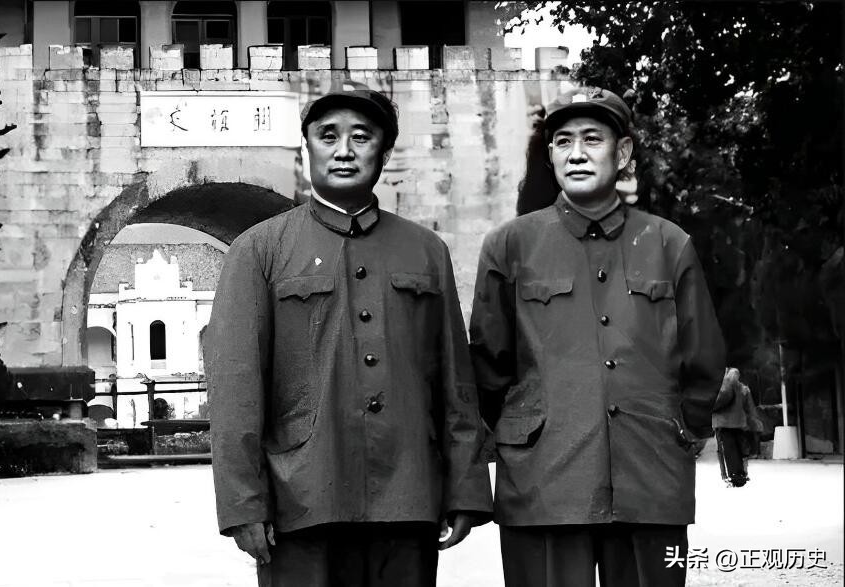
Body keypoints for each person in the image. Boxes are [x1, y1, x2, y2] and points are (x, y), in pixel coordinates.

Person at [206, 81, 493, 586]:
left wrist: (465, 487)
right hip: (301, 497)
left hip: (408, 493)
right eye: (328, 136)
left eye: (361, 137)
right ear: (307, 149)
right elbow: (235, 387)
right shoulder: (259, 249)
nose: (344, 150)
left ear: (384, 151)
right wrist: (243, 502)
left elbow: (455, 381)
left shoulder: (426, 250)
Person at [469, 87, 726, 587]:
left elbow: (704, 357)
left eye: (592, 139)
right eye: (563, 141)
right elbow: (486, 363)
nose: (577, 154)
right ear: (550, 155)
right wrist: (526, 433)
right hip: (543, 484)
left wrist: (680, 429)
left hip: (651, 478)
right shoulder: (509, 245)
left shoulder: (668, 243)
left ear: (623, 152)